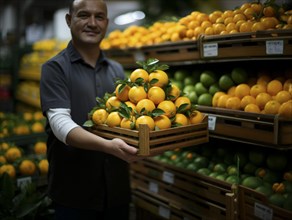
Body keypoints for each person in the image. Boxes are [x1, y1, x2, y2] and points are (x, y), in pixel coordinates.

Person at [40, 0, 142, 219]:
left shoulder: (116, 70)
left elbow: (130, 119)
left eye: (99, 17)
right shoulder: (55, 68)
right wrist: (108, 146)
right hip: (73, 196)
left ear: (106, 22)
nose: (92, 23)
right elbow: (60, 125)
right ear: (70, 20)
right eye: (84, 15)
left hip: (117, 193)